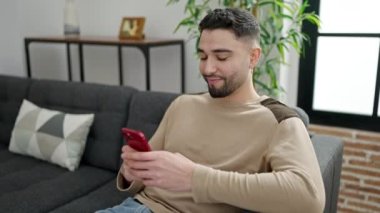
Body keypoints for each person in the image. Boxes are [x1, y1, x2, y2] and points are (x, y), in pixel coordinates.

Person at [98, 8, 325, 213]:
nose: (208, 68)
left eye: (222, 57)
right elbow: (146, 173)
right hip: (135, 208)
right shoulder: (183, 104)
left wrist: (195, 178)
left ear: (253, 57)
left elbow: (309, 199)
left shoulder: (279, 120)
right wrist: (131, 173)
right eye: (203, 56)